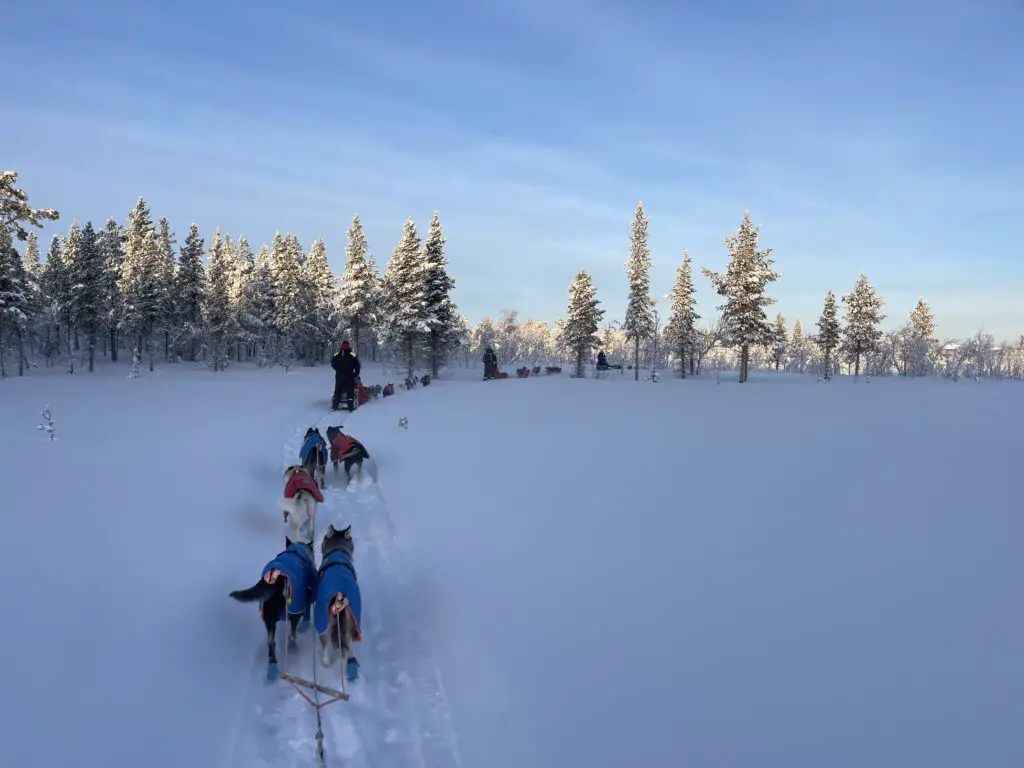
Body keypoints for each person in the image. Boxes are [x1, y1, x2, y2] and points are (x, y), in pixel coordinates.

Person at [331, 341, 361, 411]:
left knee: (337, 390)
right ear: (348, 346)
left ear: (341, 346)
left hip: (339, 375)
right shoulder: (352, 354)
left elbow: (332, 363)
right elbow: (357, 365)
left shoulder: (337, 354)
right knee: (350, 391)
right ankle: (350, 407)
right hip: (349, 375)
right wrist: (355, 374)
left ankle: (335, 405)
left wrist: (337, 369)